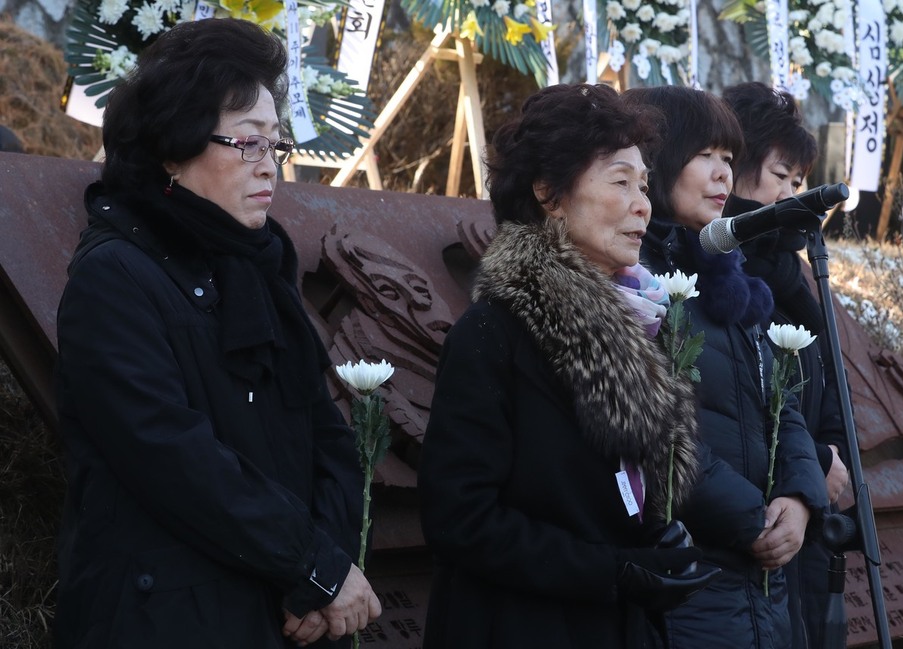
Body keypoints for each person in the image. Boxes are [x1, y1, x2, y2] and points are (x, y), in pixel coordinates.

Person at [53, 18, 380, 649]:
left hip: (283, 614)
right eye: (248, 143)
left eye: (276, 147)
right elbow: (171, 456)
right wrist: (312, 566)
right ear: (173, 149)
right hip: (165, 619)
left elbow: (326, 437)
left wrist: (326, 573)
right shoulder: (115, 277)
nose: (270, 168)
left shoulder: (257, 269)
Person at [418, 83, 718, 649]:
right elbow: (460, 520)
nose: (643, 205)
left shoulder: (638, 327)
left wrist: (659, 541)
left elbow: (617, 498)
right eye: (620, 182)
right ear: (549, 193)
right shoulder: (493, 335)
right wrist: (610, 571)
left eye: (645, 186)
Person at [624, 85, 828, 648]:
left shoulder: (728, 277)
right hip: (691, 575)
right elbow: (655, 433)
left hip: (764, 581)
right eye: (705, 156)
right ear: (657, 160)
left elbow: (778, 404)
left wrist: (800, 497)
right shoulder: (631, 281)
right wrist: (755, 518)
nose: (722, 176)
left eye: (730, 160)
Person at [723, 80, 850, 649]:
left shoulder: (794, 274)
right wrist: (813, 463)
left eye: (799, 182)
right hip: (750, 530)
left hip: (810, 524)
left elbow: (824, 386)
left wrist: (829, 458)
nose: (793, 194)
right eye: (781, 176)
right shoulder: (720, 271)